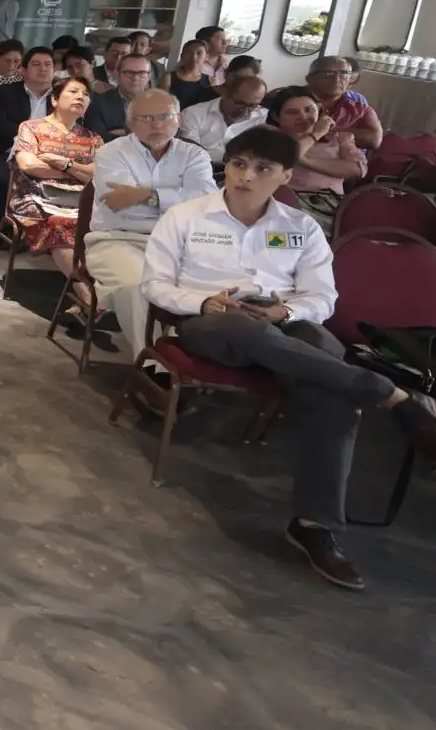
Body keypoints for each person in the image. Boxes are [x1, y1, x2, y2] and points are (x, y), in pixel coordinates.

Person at [140, 125, 436, 590]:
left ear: (286, 175)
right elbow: (155, 285)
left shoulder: (299, 230)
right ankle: (392, 395)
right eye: (238, 164)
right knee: (250, 328)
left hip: (282, 323)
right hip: (213, 322)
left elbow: (324, 297)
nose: (245, 177)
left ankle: (315, 526)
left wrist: (286, 309)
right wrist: (203, 302)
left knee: (327, 366)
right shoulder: (186, 217)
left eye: (262, 169)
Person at [80, 90, 216, 358]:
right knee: (137, 288)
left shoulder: (194, 156)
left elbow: (204, 201)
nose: (157, 125)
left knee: (215, 287)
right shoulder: (111, 152)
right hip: (118, 240)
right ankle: (154, 368)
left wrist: (146, 195)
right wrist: (175, 201)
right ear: (130, 123)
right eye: (146, 118)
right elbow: (118, 202)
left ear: (178, 119)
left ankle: (192, 361)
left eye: (165, 116)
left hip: (180, 244)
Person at [7, 75, 101, 271]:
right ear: (55, 99)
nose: (80, 97)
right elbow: (29, 165)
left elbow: (99, 174)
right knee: (57, 225)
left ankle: (93, 292)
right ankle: (85, 296)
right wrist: (77, 172)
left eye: (85, 94)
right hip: (35, 197)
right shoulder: (31, 127)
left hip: (80, 201)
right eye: (74, 92)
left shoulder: (93, 139)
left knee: (104, 230)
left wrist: (63, 163)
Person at [0, 47, 57, 219]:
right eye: (36, 64)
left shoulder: (62, 96)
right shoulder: (4, 92)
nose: (43, 69)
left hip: (51, 157)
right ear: (24, 70)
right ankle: (5, 223)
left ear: (54, 70)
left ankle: (42, 227)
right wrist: (31, 141)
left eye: (48, 65)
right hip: (6, 153)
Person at [271, 85, 365, 218]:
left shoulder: (339, 137)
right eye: (292, 112)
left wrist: (305, 161)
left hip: (330, 205)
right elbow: (286, 156)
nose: (303, 117)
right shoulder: (270, 135)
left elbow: (358, 169)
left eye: (309, 110)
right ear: (276, 116)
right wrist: (316, 134)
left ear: (319, 109)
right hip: (287, 204)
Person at [178, 74, 269, 165]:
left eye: (253, 106)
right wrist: (229, 158)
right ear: (225, 93)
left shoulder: (262, 117)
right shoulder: (193, 114)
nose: (245, 111)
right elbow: (189, 152)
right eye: (240, 103)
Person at [305, 56, 383, 150]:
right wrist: (351, 133)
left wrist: (324, 129)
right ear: (310, 78)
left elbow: (374, 140)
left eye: (343, 74)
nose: (337, 79)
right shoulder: (292, 99)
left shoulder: (358, 105)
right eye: (328, 73)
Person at [83, 46, 153, 140]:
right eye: (129, 72)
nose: (135, 78)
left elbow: (166, 135)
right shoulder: (97, 103)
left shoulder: (161, 103)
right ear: (116, 74)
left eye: (142, 73)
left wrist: (124, 132)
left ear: (149, 76)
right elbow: (97, 139)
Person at [161, 38, 216, 109]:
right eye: (189, 53)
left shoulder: (211, 80)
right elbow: (161, 103)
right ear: (182, 56)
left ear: (206, 57)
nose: (194, 57)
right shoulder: (169, 77)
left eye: (199, 53)